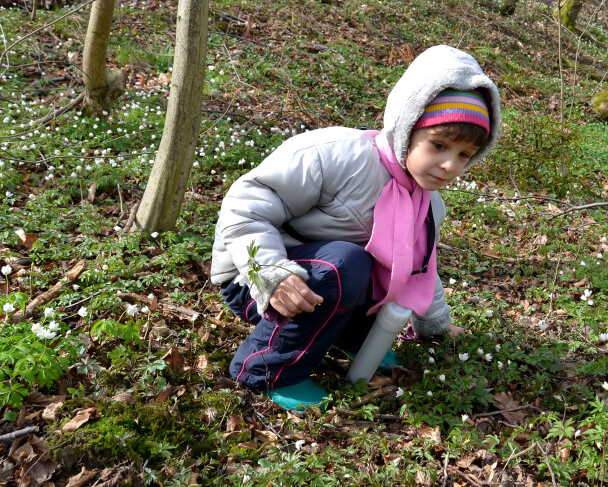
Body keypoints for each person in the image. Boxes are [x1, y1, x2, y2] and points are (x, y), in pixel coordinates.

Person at [210, 45, 501, 411]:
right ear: (407, 127)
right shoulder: (337, 155)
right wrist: (270, 273)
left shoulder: (428, 204)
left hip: (325, 284)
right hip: (258, 281)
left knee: (377, 267)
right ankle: (267, 370)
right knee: (348, 261)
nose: (448, 165)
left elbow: (420, 267)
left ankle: (352, 338)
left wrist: (436, 324)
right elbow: (246, 204)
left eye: (463, 155)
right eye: (438, 145)